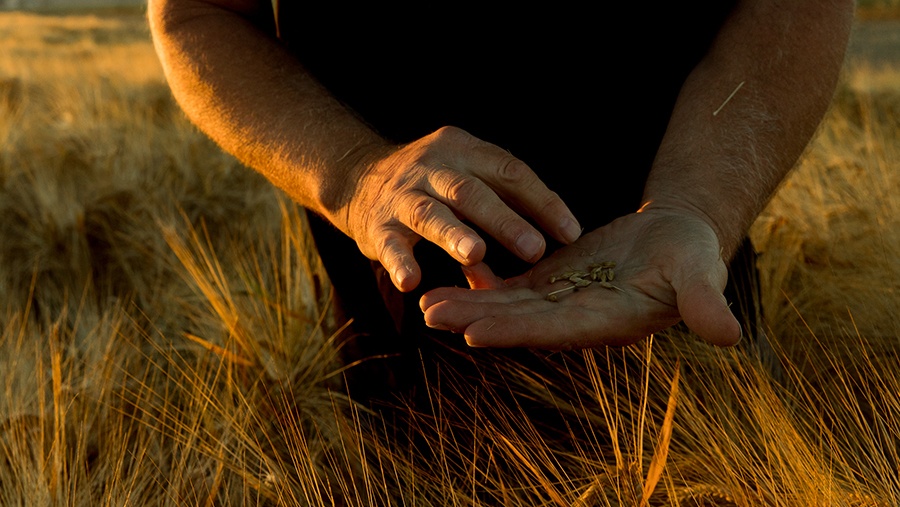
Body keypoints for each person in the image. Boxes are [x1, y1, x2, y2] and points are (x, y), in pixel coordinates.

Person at [146, 1, 854, 358]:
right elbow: (197, 9)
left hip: (681, 284)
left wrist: (697, 201)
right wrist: (356, 175)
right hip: (401, 314)